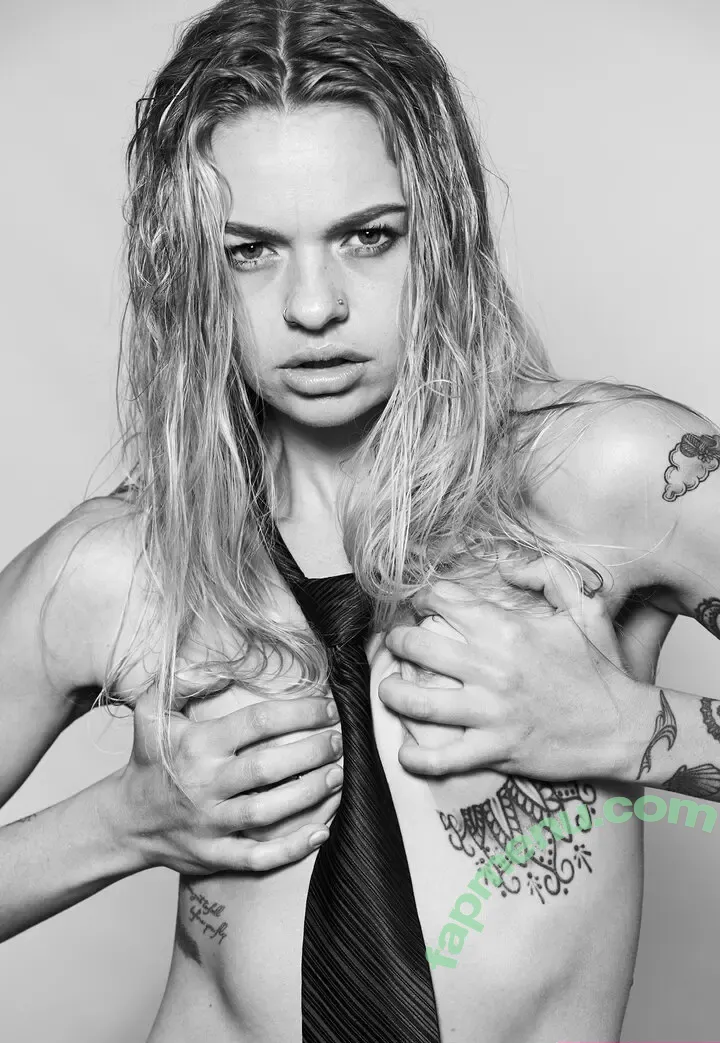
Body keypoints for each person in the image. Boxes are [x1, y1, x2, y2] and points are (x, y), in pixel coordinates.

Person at [0, 0, 716, 1041]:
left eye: (368, 236)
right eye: (250, 251)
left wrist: (627, 728)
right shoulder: (117, 567)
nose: (314, 306)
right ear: (186, 269)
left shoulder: (612, 479)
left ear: (446, 231)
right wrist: (117, 823)